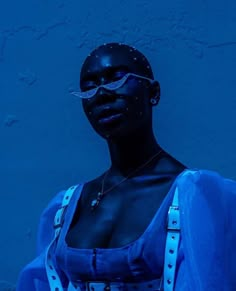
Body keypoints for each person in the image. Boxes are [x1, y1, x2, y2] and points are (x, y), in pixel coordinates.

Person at [16, 42, 236, 291]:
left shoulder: (196, 197)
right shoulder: (66, 207)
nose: (102, 94)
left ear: (152, 93)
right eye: (89, 88)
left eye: (117, 80)